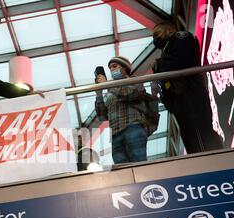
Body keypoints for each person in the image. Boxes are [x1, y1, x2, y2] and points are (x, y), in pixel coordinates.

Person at [152, 21, 223, 154]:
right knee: (189, 136)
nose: (154, 39)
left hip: (192, 93)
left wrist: (160, 65)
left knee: (202, 130)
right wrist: (169, 103)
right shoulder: (165, 55)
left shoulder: (182, 38)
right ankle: (199, 166)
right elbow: (165, 83)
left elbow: (182, 63)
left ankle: (218, 160)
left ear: (169, 31)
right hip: (179, 102)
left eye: (157, 34)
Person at [95, 56, 157, 164]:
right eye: (110, 68)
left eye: (115, 66)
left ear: (125, 68)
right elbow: (102, 116)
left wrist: (108, 85)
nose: (112, 70)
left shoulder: (135, 80)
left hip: (134, 127)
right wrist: (99, 93)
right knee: (122, 170)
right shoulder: (110, 91)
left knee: (139, 164)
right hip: (115, 134)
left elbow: (129, 94)